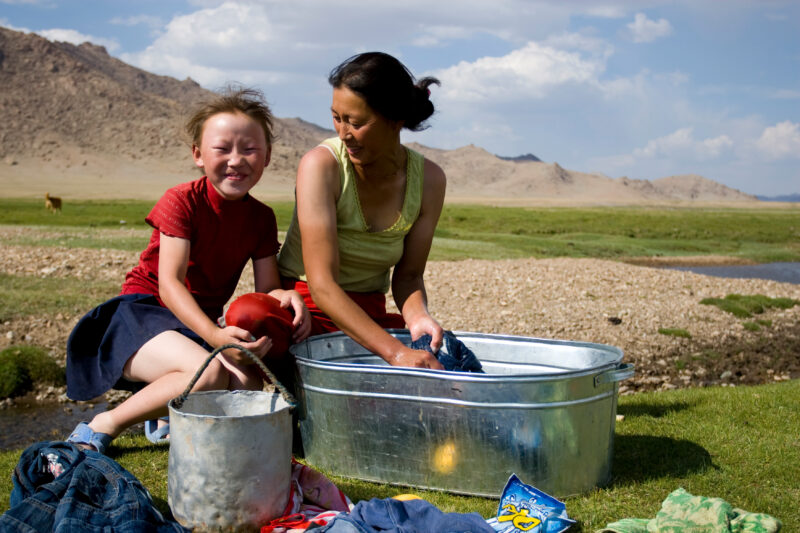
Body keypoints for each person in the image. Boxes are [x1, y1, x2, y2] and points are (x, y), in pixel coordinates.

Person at [65, 86, 311, 453]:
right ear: (198, 154)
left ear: (268, 156)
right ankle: (102, 425)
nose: (236, 159)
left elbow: (267, 288)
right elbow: (169, 284)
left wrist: (287, 295)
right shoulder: (181, 201)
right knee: (208, 373)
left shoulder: (261, 217)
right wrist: (214, 337)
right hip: (143, 313)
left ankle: (175, 422)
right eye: (222, 148)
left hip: (193, 324)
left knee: (247, 381)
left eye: (249, 149)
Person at [278, 52, 446, 370]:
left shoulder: (430, 180)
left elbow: (409, 276)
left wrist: (418, 316)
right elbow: (322, 285)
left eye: (356, 123)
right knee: (250, 317)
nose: (344, 133)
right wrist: (396, 353)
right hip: (303, 312)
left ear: (396, 120)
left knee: (438, 354)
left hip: (369, 312)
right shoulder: (321, 165)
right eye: (337, 118)